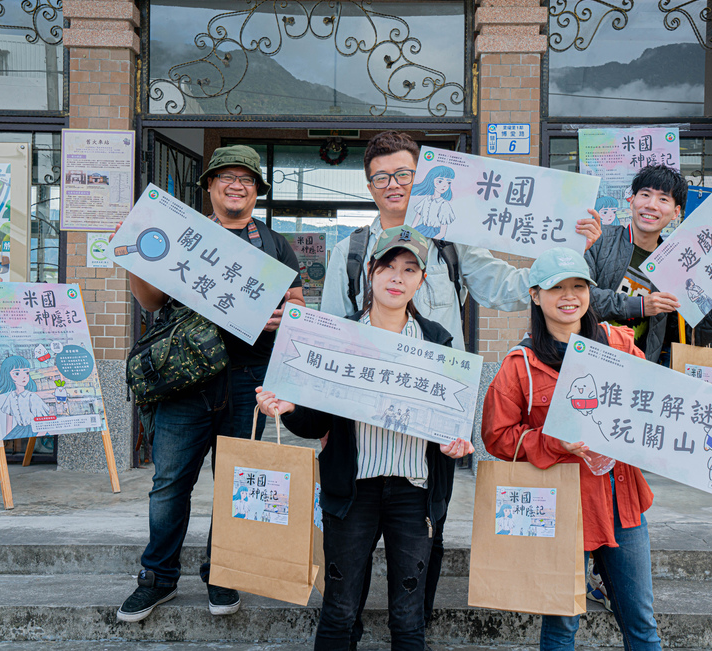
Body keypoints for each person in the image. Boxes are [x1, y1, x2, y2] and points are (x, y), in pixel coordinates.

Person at [320, 131, 602, 640]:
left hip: (434, 424)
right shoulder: (349, 250)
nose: (394, 184)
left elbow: (511, 287)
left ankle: (414, 627)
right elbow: (329, 335)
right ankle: (348, 629)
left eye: (404, 173)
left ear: (421, 177)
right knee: (346, 564)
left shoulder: (450, 244)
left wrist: (567, 253)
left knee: (424, 543)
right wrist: (321, 415)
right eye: (381, 176)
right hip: (361, 426)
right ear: (368, 185)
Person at [481, 247, 712, 650]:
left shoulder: (617, 343)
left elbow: (664, 403)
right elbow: (496, 437)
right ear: (534, 295)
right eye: (556, 288)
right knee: (562, 625)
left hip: (621, 500)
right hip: (562, 508)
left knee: (641, 622)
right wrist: (551, 441)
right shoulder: (520, 365)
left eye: (578, 286)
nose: (569, 296)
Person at [257, 225, 474, 651]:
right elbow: (314, 423)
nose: (397, 277)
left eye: (410, 269)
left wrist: (455, 443)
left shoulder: (437, 342)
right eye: (388, 266)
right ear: (371, 273)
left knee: (408, 619)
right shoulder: (338, 337)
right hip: (351, 492)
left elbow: (450, 425)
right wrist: (288, 407)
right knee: (339, 611)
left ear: (421, 281)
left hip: (413, 495)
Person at [117, 145, 304, 623]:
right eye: (226, 177)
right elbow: (153, 302)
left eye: (246, 178)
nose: (236, 185)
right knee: (169, 483)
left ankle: (222, 574)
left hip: (248, 381)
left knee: (236, 481)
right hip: (185, 379)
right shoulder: (184, 235)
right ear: (209, 187)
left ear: (257, 191)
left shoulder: (275, 245)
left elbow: (297, 309)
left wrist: (279, 319)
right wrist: (139, 256)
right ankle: (156, 578)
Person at [585, 165, 712, 365]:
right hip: (589, 361)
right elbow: (579, 297)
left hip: (639, 373)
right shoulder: (598, 240)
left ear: (676, 212)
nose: (652, 205)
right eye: (645, 194)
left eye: (663, 199)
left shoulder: (679, 263)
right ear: (631, 200)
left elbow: (686, 338)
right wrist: (641, 306)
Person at [0, 354, 49, 440]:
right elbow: (9, 418)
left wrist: (39, 435)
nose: (24, 376)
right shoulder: (11, 396)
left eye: (26, 372)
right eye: (17, 373)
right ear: (7, 375)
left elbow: (44, 421)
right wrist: (7, 436)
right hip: (19, 429)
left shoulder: (31, 397)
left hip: (35, 430)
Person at [410, 165, 456, 239]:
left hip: (435, 235)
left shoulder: (444, 205)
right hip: (421, 229)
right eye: (440, 181)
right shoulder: (426, 200)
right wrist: (410, 233)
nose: (444, 185)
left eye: (448, 182)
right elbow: (415, 222)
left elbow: (442, 233)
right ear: (431, 180)